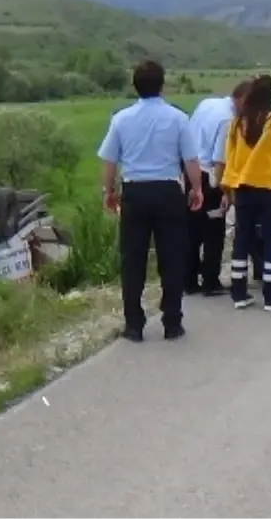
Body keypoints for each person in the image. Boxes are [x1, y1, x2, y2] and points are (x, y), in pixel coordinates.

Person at [97, 60, 204, 342]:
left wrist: (108, 191)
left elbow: (109, 160)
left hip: (134, 192)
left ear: (135, 86)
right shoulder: (178, 118)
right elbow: (191, 159)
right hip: (168, 191)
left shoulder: (121, 119)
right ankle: (172, 321)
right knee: (172, 257)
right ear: (162, 85)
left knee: (132, 259)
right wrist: (196, 189)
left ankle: (134, 324)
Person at [221, 75, 271, 311]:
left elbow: (229, 156)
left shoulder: (237, 123)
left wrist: (230, 184)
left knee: (242, 238)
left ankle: (238, 293)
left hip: (243, 188)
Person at [185, 80, 250, 297]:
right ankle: (210, 281)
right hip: (211, 178)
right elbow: (220, 160)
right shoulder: (228, 121)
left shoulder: (208, 103)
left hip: (190, 171)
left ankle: (189, 280)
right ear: (242, 100)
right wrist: (225, 192)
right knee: (214, 230)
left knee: (192, 229)